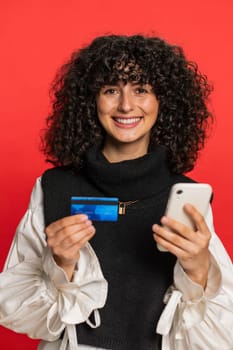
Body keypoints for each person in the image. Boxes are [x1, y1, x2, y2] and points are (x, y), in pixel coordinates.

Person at [0, 34, 232, 350]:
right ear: (90, 100)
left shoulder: (187, 198)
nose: (125, 105)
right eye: (111, 90)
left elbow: (221, 334)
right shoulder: (53, 188)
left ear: (163, 101)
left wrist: (198, 270)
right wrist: (60, 265)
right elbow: (13, 309)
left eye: (141, 90)